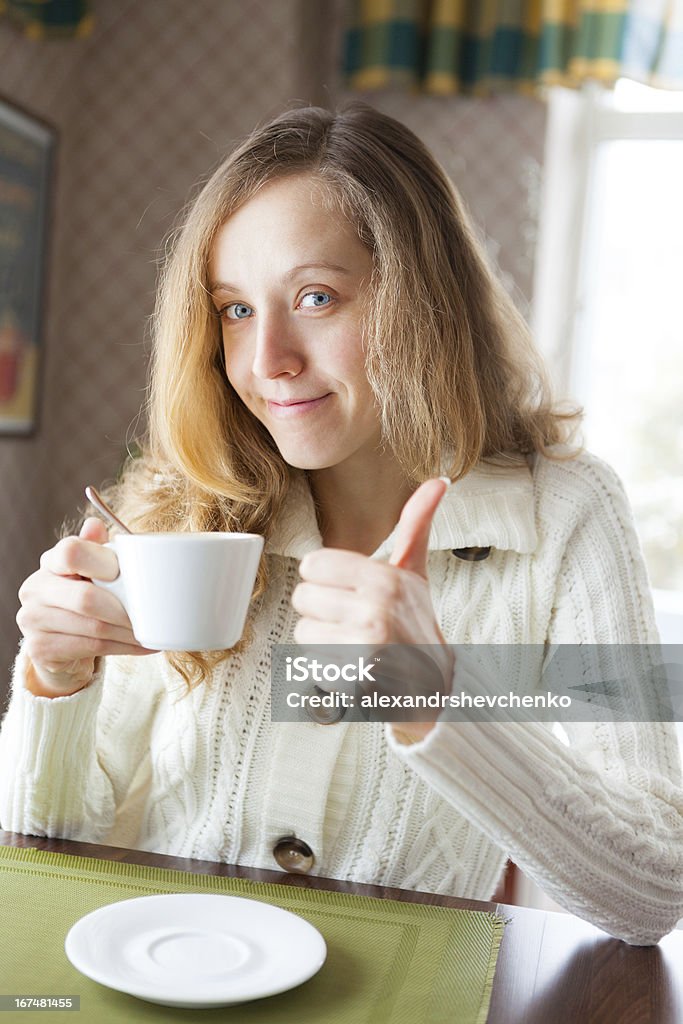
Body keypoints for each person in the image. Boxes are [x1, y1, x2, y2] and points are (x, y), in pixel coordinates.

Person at [1, 103, 681, 946]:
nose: (266, 361)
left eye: (315, 297)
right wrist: (56, 682)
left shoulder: (566, 515)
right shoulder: (177, 506)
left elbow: (652, 894)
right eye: (235, 310)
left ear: (423, 299)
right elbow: (40, 846)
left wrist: (438, 700)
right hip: (156, 979)